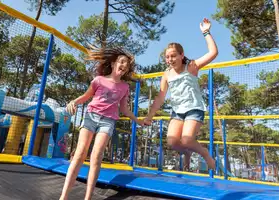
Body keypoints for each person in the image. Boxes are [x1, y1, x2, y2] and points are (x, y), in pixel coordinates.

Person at [60, 46, 144, 200]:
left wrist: (139, 120)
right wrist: (74, 101)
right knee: (79, 155)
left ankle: (88, 198)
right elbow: (86, 96)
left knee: (96, 156)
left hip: (108, 121)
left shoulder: (125, 87)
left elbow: (124, 109)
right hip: (91, 117)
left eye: (126, 64)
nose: (124, 65)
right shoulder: (98, 80)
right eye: (121, 61)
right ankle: (63, 197)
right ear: (113, 64)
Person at [144, 18, 218, 171]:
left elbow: (213, 52)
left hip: (194, 108)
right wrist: (150, 115)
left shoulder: (191, 67)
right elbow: (160, 97)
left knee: (187, 139)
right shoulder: (166, 74)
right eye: (167, 57)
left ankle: (205, 154)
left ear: (181, 55)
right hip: (177, 111)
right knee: (172, 142)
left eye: (173, 56)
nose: (170, 59)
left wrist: (206, 32)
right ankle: (187, 153)